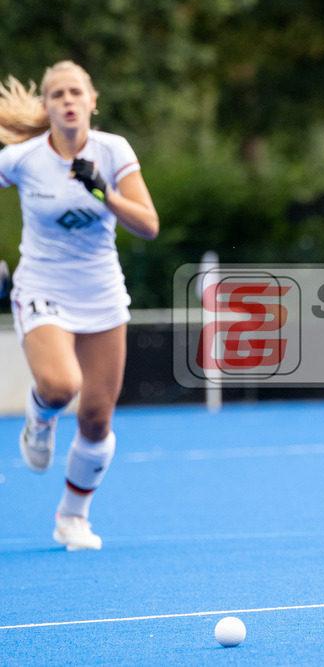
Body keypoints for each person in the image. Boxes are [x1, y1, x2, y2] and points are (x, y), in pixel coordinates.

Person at [0, 61, 159, 550]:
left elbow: (148, 225)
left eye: (76, 93)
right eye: (57, 95)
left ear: (92, 102)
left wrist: (103, 192)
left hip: (101, 293)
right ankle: (40, 415)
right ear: (47, 108)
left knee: (96, 417)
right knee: (60, 385)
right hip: (42, 286)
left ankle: (73, 517)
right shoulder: (24, 158)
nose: (68, 101)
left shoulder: (113, 151)